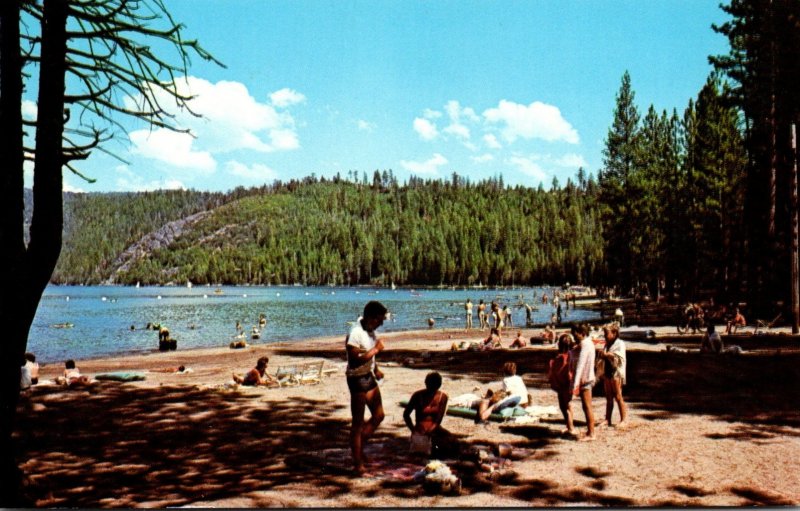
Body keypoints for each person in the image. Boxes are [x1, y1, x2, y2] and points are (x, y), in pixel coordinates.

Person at [346, 300, 388, 475]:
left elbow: (369, 356)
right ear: (370, 317)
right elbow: (354, 359)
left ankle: (359, 447)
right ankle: (357, 463)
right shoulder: (355, 333)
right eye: (379, 319)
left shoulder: (370, 331)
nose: (381, 323)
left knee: (379, 415)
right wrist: (376, 350)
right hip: (356, 378)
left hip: (368, 376)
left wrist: (376, 369)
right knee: (357, 423)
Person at [403, 372, 456, 456]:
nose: (431, 387)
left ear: (439, 385)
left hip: (435, 429)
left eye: (434, 385)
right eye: (430, 384)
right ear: (426, 383)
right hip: (420, 429)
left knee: (453, 443)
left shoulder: (442, 397)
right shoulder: (417, 395)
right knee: (425, 449)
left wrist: (430, 431)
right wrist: (413, 429)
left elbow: (438, 419)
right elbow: (406, 414)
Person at [598, 324, 628, 428]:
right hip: (607, 371)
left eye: (607, 333)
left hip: (616, 372)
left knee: (618, 396)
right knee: (609, 396)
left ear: (614, 333)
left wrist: (607, 355)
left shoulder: (620, 343)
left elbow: (619, 357)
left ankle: (623, 419)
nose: (605, 336)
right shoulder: (607, 344)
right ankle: (608, 419)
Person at [571, 324, 596, 440]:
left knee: (587, 406)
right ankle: (590, 431)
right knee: (586, 406)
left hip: (585, 379)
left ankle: (591, 433)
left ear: (582, 333)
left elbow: (580, 366)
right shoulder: (587, 343)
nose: (574, 337)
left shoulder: (586, 345)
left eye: (575, 335)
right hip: (587, 377)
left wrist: (575, 384)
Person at [548, 333, 576, 436]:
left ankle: (571, 428)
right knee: (564, 406)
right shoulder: (565, 357)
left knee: (566, 406)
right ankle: (569, 426)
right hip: (562, 384)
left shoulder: (566, 357)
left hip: (564, 384)